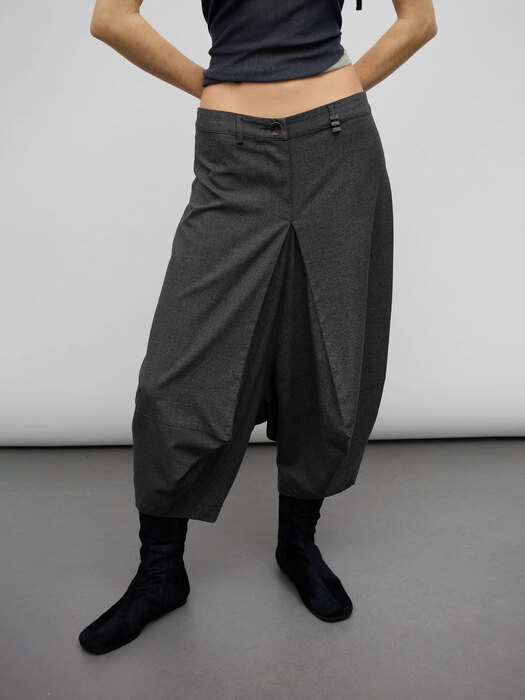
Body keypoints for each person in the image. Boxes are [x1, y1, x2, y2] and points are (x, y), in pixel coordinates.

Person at [79, 0, 437, 654]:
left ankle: (297, 545)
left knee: (327, 355)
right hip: (232, 149)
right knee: (174, 380)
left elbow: (419, 21)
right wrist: (209, 86)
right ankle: (160, 573)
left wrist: (341, 89)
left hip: (339, 147)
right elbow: (111, 18)